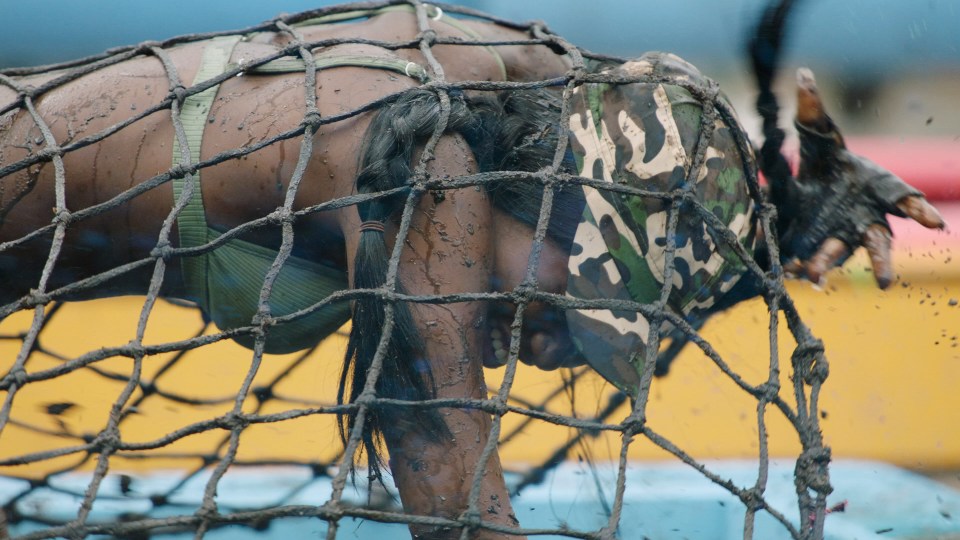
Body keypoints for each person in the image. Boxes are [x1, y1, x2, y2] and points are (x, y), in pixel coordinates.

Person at [0, 2, 944, 538]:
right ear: (531, 192)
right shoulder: (424, 168)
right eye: (571, 309)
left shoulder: (530, 89)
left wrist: (785, 210)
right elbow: (455, 508)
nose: (542, 353)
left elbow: (641, 130)